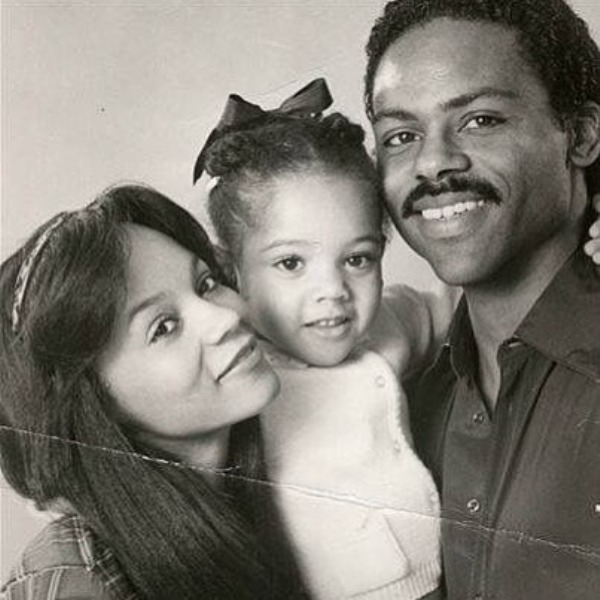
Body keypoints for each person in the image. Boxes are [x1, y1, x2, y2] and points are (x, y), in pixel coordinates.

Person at [364, 0, 600, 598]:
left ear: (582, 133)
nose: (433, 163)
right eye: (401, 135)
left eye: (480, 120)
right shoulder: (405, 399)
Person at [192, 81, 456, 599]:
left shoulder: (389, 325)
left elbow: (468, 302)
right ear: (231, 271)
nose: (333, 292)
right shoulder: (234, 370)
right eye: (291, 263)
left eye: (357, 259)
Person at [0, 184, 309, 600]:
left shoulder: (273, 477)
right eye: (163, 327)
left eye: (205, 284)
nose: (223, 318)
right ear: (93, 403)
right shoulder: (73, 578)